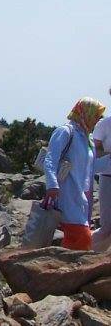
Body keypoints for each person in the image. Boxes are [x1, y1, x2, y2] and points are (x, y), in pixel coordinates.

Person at [44, 97, 106, 251]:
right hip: (65, 192)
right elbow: (50, 159)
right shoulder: (66, 131)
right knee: (82, 237)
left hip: (82, 196)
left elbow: (90, 167)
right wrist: (52, 185)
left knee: (75, 239)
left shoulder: (87, 138)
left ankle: (64, 270)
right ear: (86, 113)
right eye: (97, 116)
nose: (98, 121)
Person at [93, 112, 111, 251]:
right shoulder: (104, 124)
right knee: (107, 227)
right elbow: (94, 152)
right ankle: (81, 251)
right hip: (108, 177)